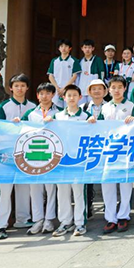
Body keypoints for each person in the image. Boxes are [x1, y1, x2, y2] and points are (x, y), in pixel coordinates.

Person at [0, 74, 38, 239]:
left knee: (24, 187)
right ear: (11, 88)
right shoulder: (4, 107)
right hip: (6, 153)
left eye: (23, 85)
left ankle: (23, 219)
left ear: (27, 88)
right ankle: (0, 225)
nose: (20, 88)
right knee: (4, 190)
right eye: (16, 86)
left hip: (26, 153)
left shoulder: (33, 107)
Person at [49, 85, 93, 236]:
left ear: (80, 97)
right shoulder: (57, 116)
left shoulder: (86, 116)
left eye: (75, 95)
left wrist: (93, 122)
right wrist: (47, 121)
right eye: (69, 95)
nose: (72, 98)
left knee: (79, 192)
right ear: (64, 97)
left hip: (79, 160)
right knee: (62, 192)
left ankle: (80, 223)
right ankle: (65, 222)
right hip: (61, 160)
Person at [100, 76, 134, 233]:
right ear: (109, 90)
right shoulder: (104, 107)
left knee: (125, 184)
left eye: (119, 87)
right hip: (108, 151)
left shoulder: (131, 105)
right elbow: (98, 127)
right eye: (113, 87)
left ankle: (123, 216)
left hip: (125, 150)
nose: (116, 90)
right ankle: (110, 218)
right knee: (107, 184)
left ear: (125, 88)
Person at [21, 82, 59, 235]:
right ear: (37, 96)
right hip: (33, 154)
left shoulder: (59, 112)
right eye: (41, 93)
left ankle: (49, 219)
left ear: (53, 95)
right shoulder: (30, 113)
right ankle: (38, 220)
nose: (44, 96)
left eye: (48, 93)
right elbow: (21, 129)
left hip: (52, 154)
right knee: (35, 188)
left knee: (51, 188)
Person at [47, 38, 81, 109]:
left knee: (69, 108)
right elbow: (50, 76)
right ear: (58, 48)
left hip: (69, 89)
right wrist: (57, 88)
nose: (63, 48)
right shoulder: (54, 61)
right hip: (56, 90)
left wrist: (64, 88)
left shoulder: (74, 60)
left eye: (66, 46)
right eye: (61, 46)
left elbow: (74, 76)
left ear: (70, 48)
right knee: (55, 109)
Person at [78, 39, 105, 104]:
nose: (87, 49)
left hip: (94, 89)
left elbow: (102, 73)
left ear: (93, 48)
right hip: (82, 88)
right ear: (82, 48)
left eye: (89, 47)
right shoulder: (80, 61)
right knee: (81, 106)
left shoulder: (98, 60)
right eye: (85, 47)